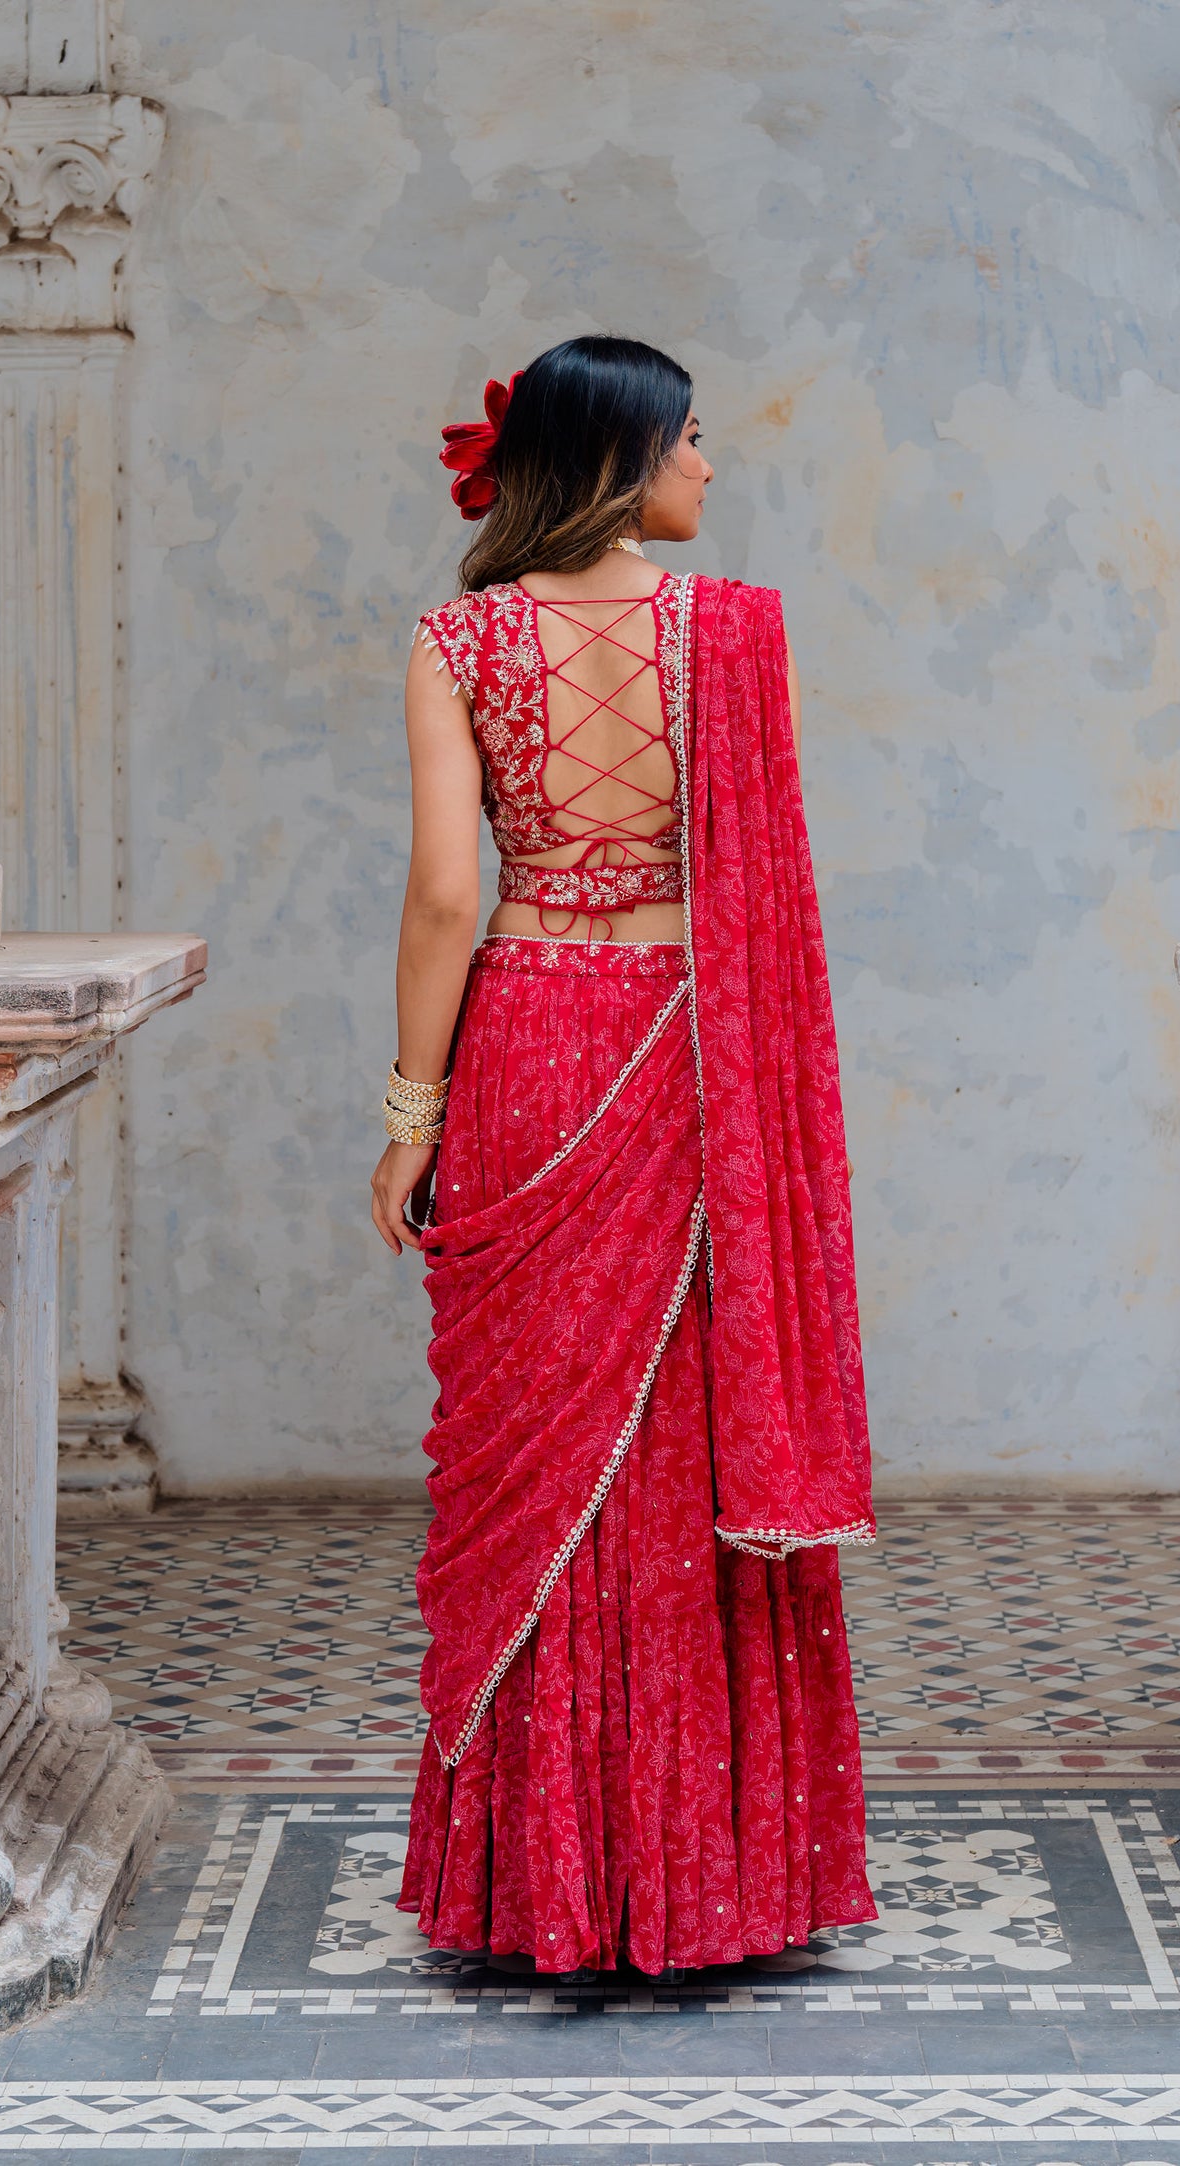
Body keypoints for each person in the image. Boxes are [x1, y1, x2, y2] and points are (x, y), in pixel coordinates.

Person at [371, 334, 876, 1977]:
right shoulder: (732, 636)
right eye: (691, 441)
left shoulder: (457, 641)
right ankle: (708, 1876)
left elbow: (450, 894)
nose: (710, 470)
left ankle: (548, 1888)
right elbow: (765, 890)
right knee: (685, 1439)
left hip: (527, 1046)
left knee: (533, 1443)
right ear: (619, 460)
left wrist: (407, 1112)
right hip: (686, 1050)